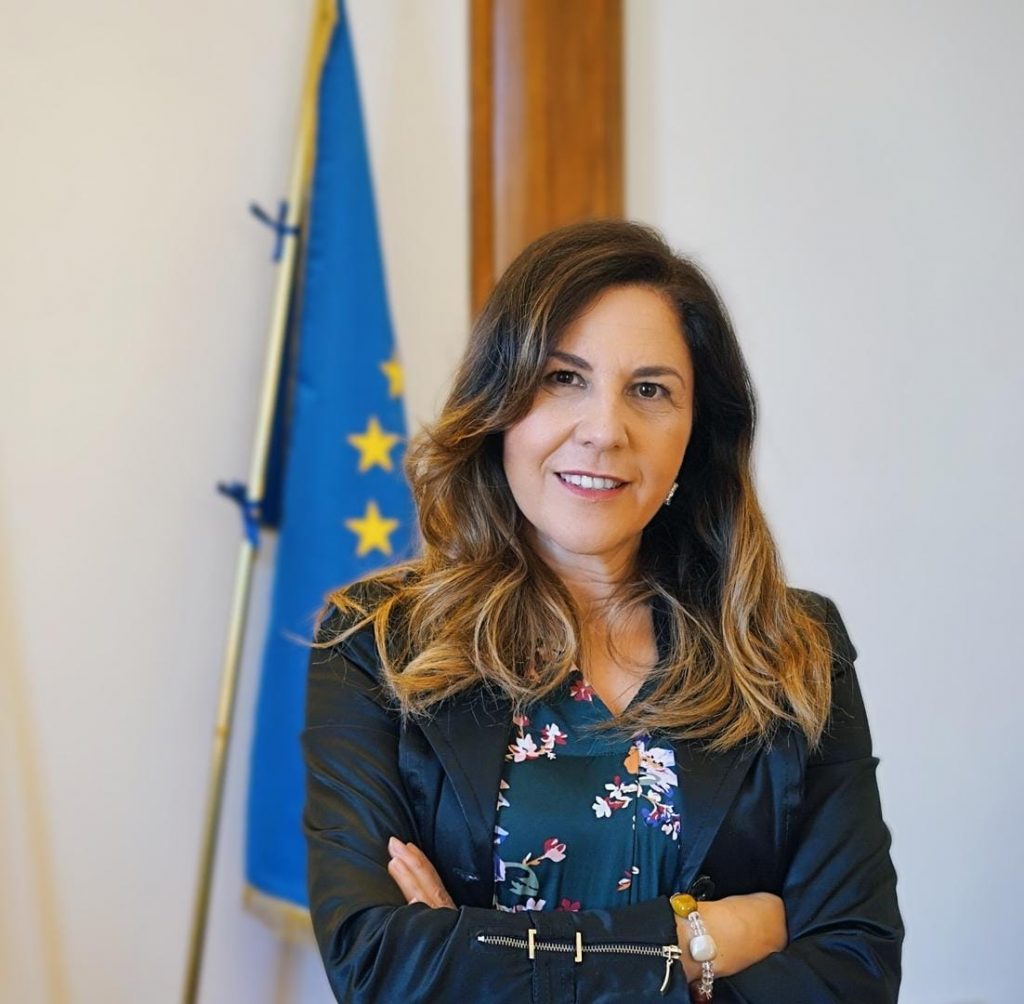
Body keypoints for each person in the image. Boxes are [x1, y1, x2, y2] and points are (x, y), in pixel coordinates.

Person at [302, 219, 903, 1002]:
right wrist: (694, 943)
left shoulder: (795, 648)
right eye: (564, 378)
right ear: (499, 404)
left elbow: (854, 972)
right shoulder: (376, 644)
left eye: (649, 390)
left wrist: (476, 953)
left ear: (697, 432)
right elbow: (378, 965)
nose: (604, 431)